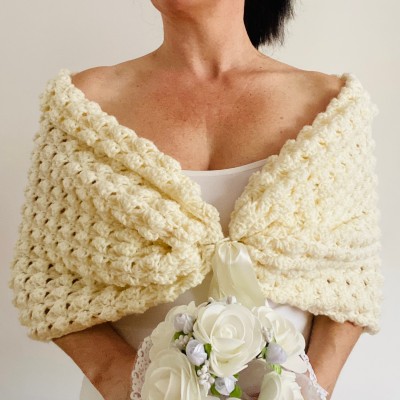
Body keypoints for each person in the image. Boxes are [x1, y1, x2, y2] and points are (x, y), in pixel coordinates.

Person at [11, 1, 381, 399]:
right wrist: (127, 384)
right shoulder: (83, 104)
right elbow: (47, 277)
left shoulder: (330, 106)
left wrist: (310, 389)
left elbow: (353, 278)